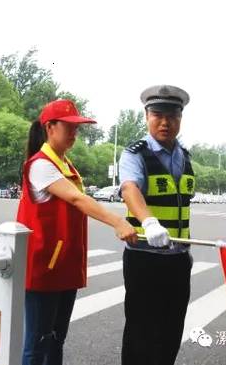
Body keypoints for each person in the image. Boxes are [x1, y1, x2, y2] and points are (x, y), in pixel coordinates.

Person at [17, 99, 138, 365]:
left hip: (64, 264)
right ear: (50, 127)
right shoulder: (40, 165)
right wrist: (117, 222)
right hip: (45, 266)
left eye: (77, 128)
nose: (74, 133)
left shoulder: (66, 165)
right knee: (37, 343)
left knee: (56, 339)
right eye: (68, 127)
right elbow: (77, 199)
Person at [118, 85, 196, 365]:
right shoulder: (135, 154)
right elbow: (129, 188)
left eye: (172, 116)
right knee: (141, 331)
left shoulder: (184, 156)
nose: (165, 122)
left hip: (178, 259)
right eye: (158, 115)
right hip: (145, 259)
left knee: (171, 330)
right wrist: (149, 222)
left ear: (180, 118)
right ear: (146, 116)